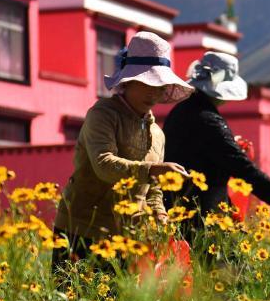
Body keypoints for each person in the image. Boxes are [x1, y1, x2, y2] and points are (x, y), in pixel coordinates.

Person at [52, 31, 193, 276]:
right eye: (147, 83)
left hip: (127, 237)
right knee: (75, 297)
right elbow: (104, 164)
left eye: (159, 86)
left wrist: (160, 215)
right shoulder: (103, 114)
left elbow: (153, 189)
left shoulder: (157, 134)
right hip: (82, 228)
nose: (153, 92)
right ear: (128, 82)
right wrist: (152, 170)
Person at [162, 50, 270, 244]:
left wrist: (227, 146)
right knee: (223, 262)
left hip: (179, 207)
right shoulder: (209, 120)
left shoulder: (181, 111)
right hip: (204, 215)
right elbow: (244, 169)